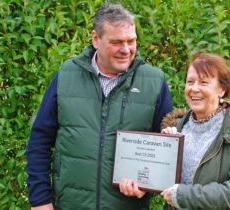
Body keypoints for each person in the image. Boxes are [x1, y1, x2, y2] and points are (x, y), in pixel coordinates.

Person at [26, 3, 172, 210]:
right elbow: (39, 141)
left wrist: (147, 185)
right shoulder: (67, 75)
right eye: (117, 42)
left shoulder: (154, 82)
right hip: (70, 205)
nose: (126, 49)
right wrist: (40, 200)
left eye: (131, 41)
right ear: (96, 39)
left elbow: (165, 153)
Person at [160, 53, 230, 209]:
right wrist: (165, 151)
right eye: (190, 82)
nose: (194, 88)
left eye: (204, 82)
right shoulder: (177, 128)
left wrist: (183, 196)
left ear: (221, 89)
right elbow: (162, 183)